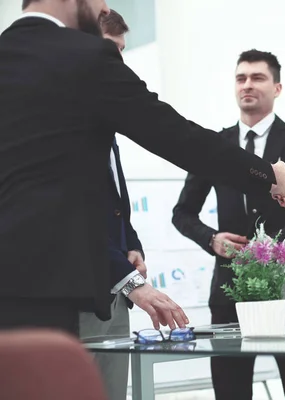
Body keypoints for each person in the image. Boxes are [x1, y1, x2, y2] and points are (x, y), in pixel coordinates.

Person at [0, 0, 285, 337]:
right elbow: (175, 136)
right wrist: (268, 175)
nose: (104, 8)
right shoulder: (85, 56)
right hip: (58, 291)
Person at [172, 49, 285, 400]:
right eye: (241, 78)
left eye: (258, 77)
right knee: (230, 391)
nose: (247, 85)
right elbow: (182, 213)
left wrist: (281, 245)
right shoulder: (214, 145)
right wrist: (212, 239)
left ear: (277, 88)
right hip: (228, 286)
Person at [76, 9, 145, 400]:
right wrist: (131, 280)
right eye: (110, 49)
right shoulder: (58, 123)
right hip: (74, 295)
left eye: (122, 51)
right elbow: (71, 216)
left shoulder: (105, 123)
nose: (117, 61)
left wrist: (131, 244)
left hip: (115, 294)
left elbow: (114, 202)